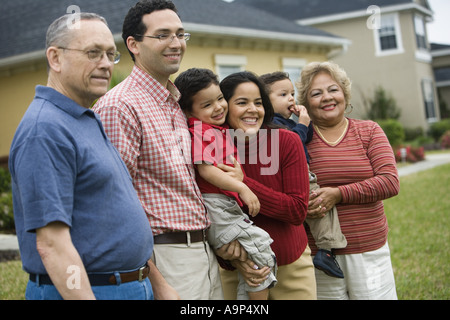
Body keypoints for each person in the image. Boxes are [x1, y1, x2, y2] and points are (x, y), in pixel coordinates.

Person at [8, 12, 176, 300]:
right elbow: (52, 245)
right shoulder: (45, 129)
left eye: (111, 54)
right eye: (93, 53)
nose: (106, 64)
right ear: (55, 58)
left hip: (129, 285)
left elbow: (114, 218)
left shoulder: (85, 118)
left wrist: (156, 285)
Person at [92, 0, 223, 300]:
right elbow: (113, 203)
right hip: (165, 257)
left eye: (180, 34)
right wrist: (156, 278)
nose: (175, 43)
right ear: (133, 44)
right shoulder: (120, 106)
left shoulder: (174, 103)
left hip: (202, 251)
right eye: (163, 35)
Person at [296, 61, 400, 300]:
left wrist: (338, 194)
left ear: (344, 93)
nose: (326, 97)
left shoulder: (369, 131)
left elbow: (389, 181)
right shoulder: (298, 139)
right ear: (305, 103)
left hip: (369, 248)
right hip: (319, 255)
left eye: (333, 89)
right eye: (316, 93)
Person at [174, 68, 277, 300]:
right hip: (218, 206)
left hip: (223, 206)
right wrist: (242, 187)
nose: (219, 107)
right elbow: (206, 169)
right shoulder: (201, 131)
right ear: (189, 111)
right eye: (207, 105)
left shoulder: (215, 130)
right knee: (260, 250)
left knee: (253, 256)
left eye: (220, 98)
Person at [216, 71, 316, 300]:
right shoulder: (212, 146)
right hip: (236, 267)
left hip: (291, 268)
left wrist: (243, 183)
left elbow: (297, 210)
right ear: (224, 107)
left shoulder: (286, 141)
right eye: (242, 102)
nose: (253, 109)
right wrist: (225, 255)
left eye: (258, 102)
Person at [260, 71, 347, 278]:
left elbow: (306, 136)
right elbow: (293, 145)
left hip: (297, 174)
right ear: (264, 102)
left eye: (292, 93)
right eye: (283, 95)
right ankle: (326, 250)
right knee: (322, 207)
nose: (291, 98)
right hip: (297, 174)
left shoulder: (288, 122)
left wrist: (302, 121)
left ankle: (325, 251)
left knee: (318, 210)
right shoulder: (271, 125)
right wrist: (303, 124)